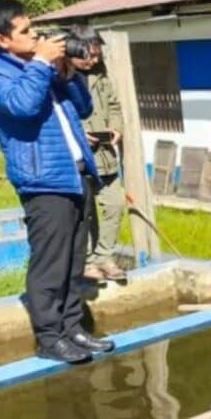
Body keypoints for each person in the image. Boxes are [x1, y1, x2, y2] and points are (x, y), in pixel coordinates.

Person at [0, 0, 114, 362]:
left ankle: (72, 327)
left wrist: (67, 73)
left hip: (75, 174)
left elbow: (84, 108)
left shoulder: (39, 68)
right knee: (50, 263)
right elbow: (22, 107)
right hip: (43, 181)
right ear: (2, 40)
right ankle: (49, 337)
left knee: (74, 260)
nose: (36, 36)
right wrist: (42, 63)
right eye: (25, 31)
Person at [69, 25, 127, 282]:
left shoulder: (100, 76)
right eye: (89, 55)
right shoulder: (62, 80)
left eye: (97, 55)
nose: (93, 60)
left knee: (115, 203)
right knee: (85, 212)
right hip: (79, 159)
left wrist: (116, 128)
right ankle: (88, 261)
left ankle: (105, 255)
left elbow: (114, 105)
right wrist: (80, 134)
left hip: (105, 155)